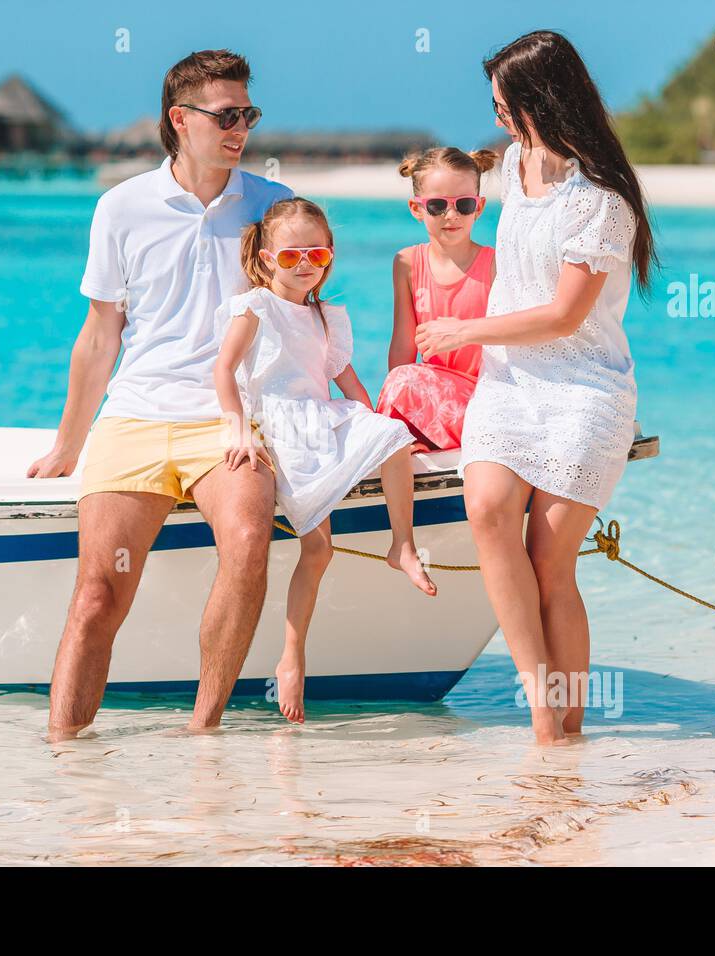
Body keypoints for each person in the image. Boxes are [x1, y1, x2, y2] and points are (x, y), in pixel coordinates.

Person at [27, 50, 293, 739]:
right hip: (136, 417)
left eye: (248, 114)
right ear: (180, 118)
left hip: (228, 424)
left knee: (247, 544)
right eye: (226, 114)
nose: (241, 128)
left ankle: (202, 733)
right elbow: (99, 334)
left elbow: (305, 318)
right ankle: (62, 755)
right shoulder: (121, 207)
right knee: (95, 595)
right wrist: (68, 443)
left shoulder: (273, 208)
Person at [415, 31, 658, 745]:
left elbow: (563, 315)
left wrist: (464, 334)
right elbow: (453, 207)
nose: (496, 119)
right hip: (510, 383)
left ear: (538, 102)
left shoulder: (601, 200)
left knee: (552, 564)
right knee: (488, 511)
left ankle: (565, 728)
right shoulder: (515, 163)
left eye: (504, 105)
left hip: (584, 387)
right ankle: (541, 710)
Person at [214, 197, 437, 724]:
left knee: (395, 437)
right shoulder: (255, 308)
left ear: (329, 255)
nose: (305, 265)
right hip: (282, 428)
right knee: (319, 550)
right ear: (268, 258)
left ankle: (401, 544)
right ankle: (293, 656)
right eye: (291, 257)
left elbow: (345, 378)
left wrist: (377, 421)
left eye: (315, 254)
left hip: (324, 416)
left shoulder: (325, 315)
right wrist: (236, 426)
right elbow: (223, 371)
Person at [376, 147, 497, 451]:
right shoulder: (406, 262)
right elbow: (403, 347)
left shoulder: (496, 264)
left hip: (486, 399)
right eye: (437, 206)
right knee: (402, 380)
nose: (451, 215)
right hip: (431, 398)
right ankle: (411, 440)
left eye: (464, 204)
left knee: (405, 381)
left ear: (479, 207)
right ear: (416, 208)